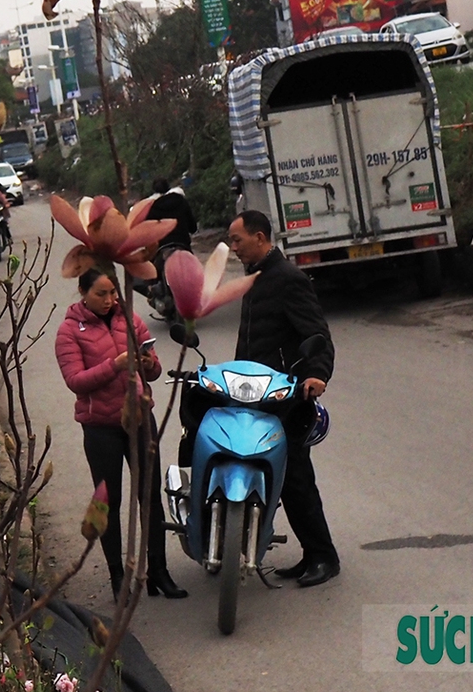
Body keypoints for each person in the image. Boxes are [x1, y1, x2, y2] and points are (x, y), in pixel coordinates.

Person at [177, 210, 341, 587]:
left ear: (261, 237)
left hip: (284, 395)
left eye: (237, 239)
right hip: (252, 392)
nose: (232, 247)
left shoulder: (288, 279)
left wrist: (317, 374)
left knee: (295, 475)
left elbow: (317, 332)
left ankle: (322, 556)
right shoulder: (258, 278)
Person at [54, 268, 188, 601]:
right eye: (102, 294)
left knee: (150, 497)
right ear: (83, 292)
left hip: (140, 419)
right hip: (100, 427)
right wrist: (115, 365)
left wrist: (147, 363)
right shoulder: (70, 331)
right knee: (108, 502)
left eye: (113, 293)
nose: (110, 300)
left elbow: (154, 370)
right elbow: (76, 381)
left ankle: (158, 570)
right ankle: (118, 576)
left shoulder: (129, 319)